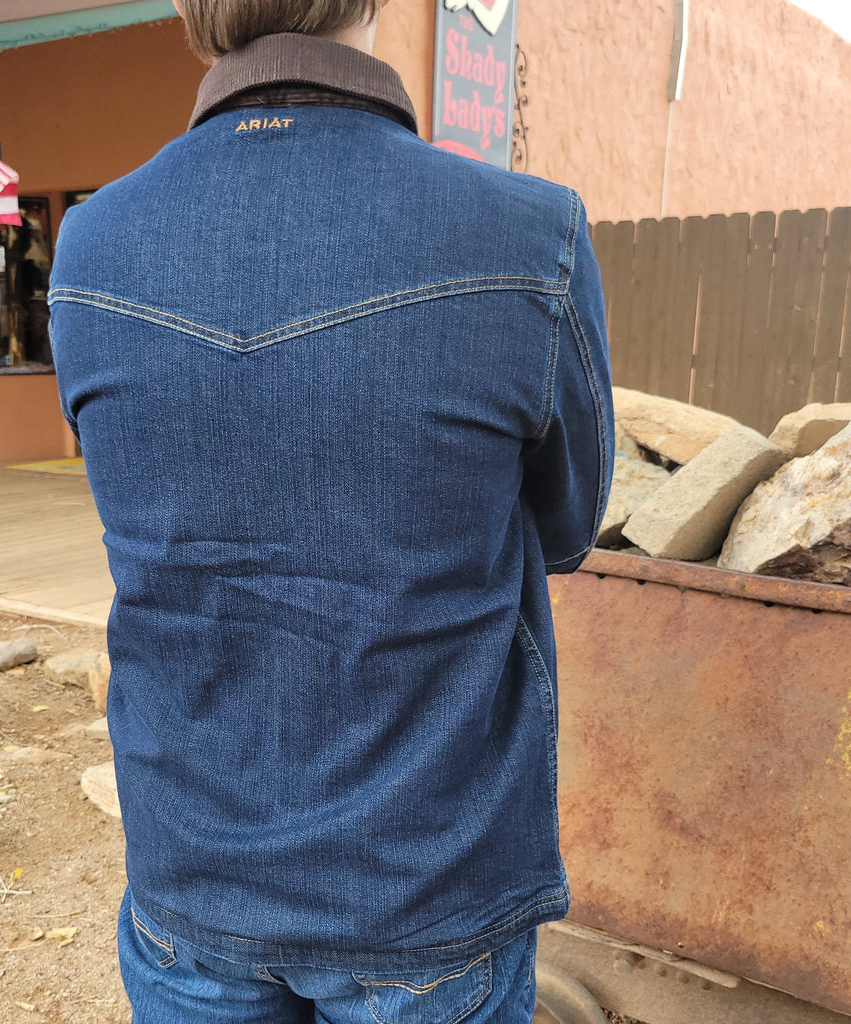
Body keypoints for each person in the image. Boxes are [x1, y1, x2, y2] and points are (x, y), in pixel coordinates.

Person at [48, 1, 613, 1020]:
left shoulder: (88, 246)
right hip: (425, 882)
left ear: (189, 8)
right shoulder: (532, 236)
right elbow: (569, 526)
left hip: (191, 877)